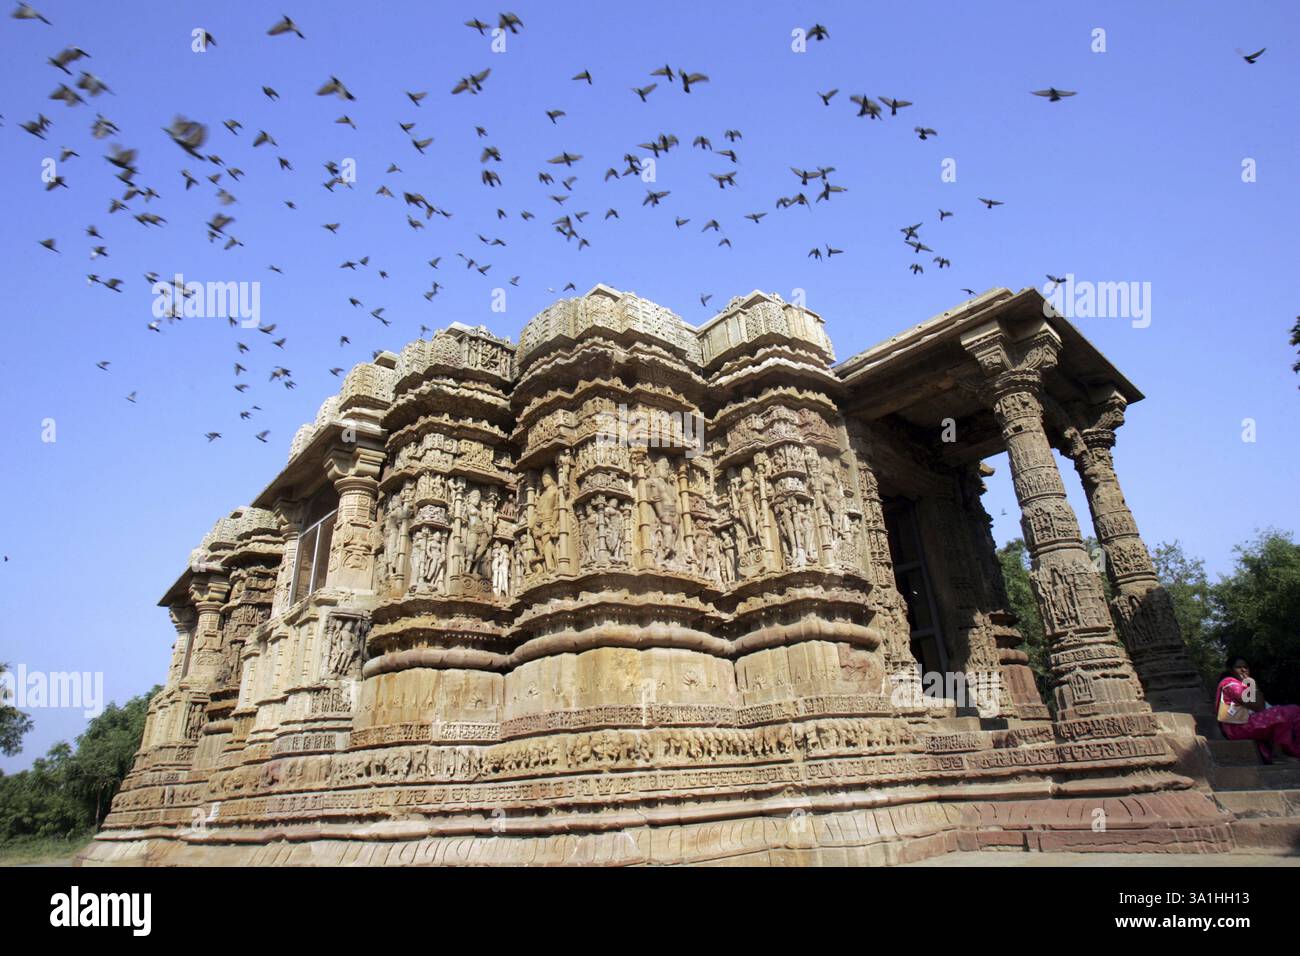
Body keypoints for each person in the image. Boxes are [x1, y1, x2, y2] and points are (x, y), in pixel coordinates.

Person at [1215, 656, 1300, 764]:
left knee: (1294, 710)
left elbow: (1261, 707)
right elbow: (1258, 707)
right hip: (1237, 727)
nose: (1243, 670)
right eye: (1238, 667)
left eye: (1245, 667)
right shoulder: (1229, 683)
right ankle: (1277, 755)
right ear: (1231, 670)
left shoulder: (1245, 686)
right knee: (1280, 714)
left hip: (1250, 722)